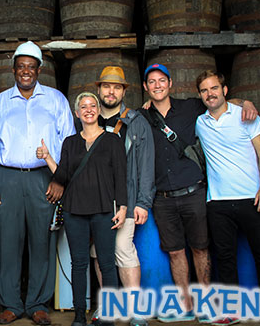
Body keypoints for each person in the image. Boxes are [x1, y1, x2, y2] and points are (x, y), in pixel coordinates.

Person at [139, 63, 257, 321]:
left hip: (194, 193)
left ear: (170, 84)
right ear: (145, 87)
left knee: (200, 248)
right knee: (174, 251)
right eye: (152, 82)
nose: (158, 85)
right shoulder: (142, 115)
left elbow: (218, 101)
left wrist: (246, 102)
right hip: (162, 197)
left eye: (162, 80)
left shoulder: (191, 107)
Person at [0, 41, 75, 325]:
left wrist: (60, 179)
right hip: (6, 177)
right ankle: (11, 304)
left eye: (31, 67)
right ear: (13, 70)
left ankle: (38, 304)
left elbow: (69, 144)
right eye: (21, 66)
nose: (26, 71)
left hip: (44, 178)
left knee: (42, 241)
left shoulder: (56, 100)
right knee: (6, 242)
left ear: (39, 70)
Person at [195, 70, 260, 326]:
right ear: (200, 95)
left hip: (252, 198)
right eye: (204, 90)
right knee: (225, 258)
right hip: (218, 202)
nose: (210, 94)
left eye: (214, 88)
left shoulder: (247, 115)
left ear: (224, 90)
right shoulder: (200, 122)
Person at [40, 92, 127, 326]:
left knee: (107, 264)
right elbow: (63, 176)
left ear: (98, 111)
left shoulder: (113, 140)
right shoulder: (70, 142)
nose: (88, 110)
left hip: (103, 209)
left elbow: (121, 176)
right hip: (74, 210)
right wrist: (47, 157)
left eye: (92, 106)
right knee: (78, 264)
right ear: (77, 114)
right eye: (83, 107)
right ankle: (79, 315)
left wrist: (123, 207)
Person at [90, 66, 155, 326]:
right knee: (99, 251)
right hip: (95, 200)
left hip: (125, 198)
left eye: (116, 87)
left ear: (123, 91)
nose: (111, 91)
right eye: (106, 86)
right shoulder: (89, 118)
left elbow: (146, 165)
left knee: (122, 249)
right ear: (99, 89)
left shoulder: (136, 121)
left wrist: (143, 202)